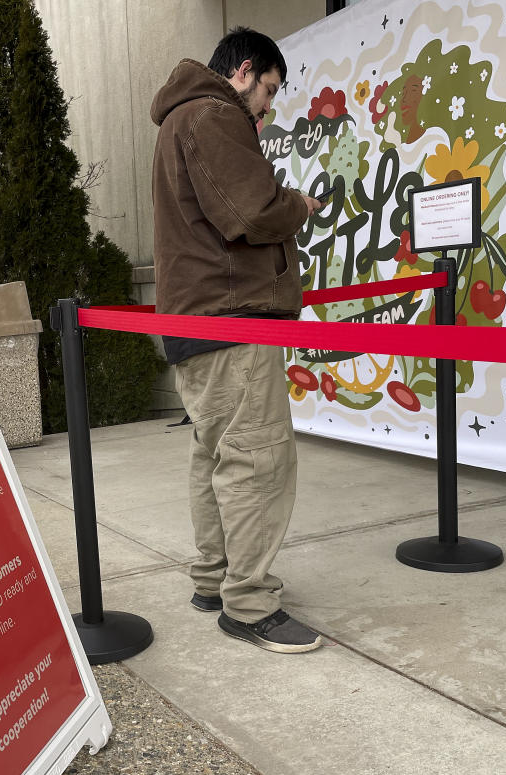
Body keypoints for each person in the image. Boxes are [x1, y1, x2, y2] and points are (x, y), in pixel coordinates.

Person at [150, 27, 323, 653]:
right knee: (257, 459)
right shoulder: (214, 115)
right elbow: (249, 212)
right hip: (231, 317)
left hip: (195, 319)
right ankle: (248, 605)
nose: (269, 108)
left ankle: (214, 578)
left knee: (215, 453)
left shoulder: (179, 119)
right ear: (244, 71)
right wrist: (298, 204)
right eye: (269, 91)